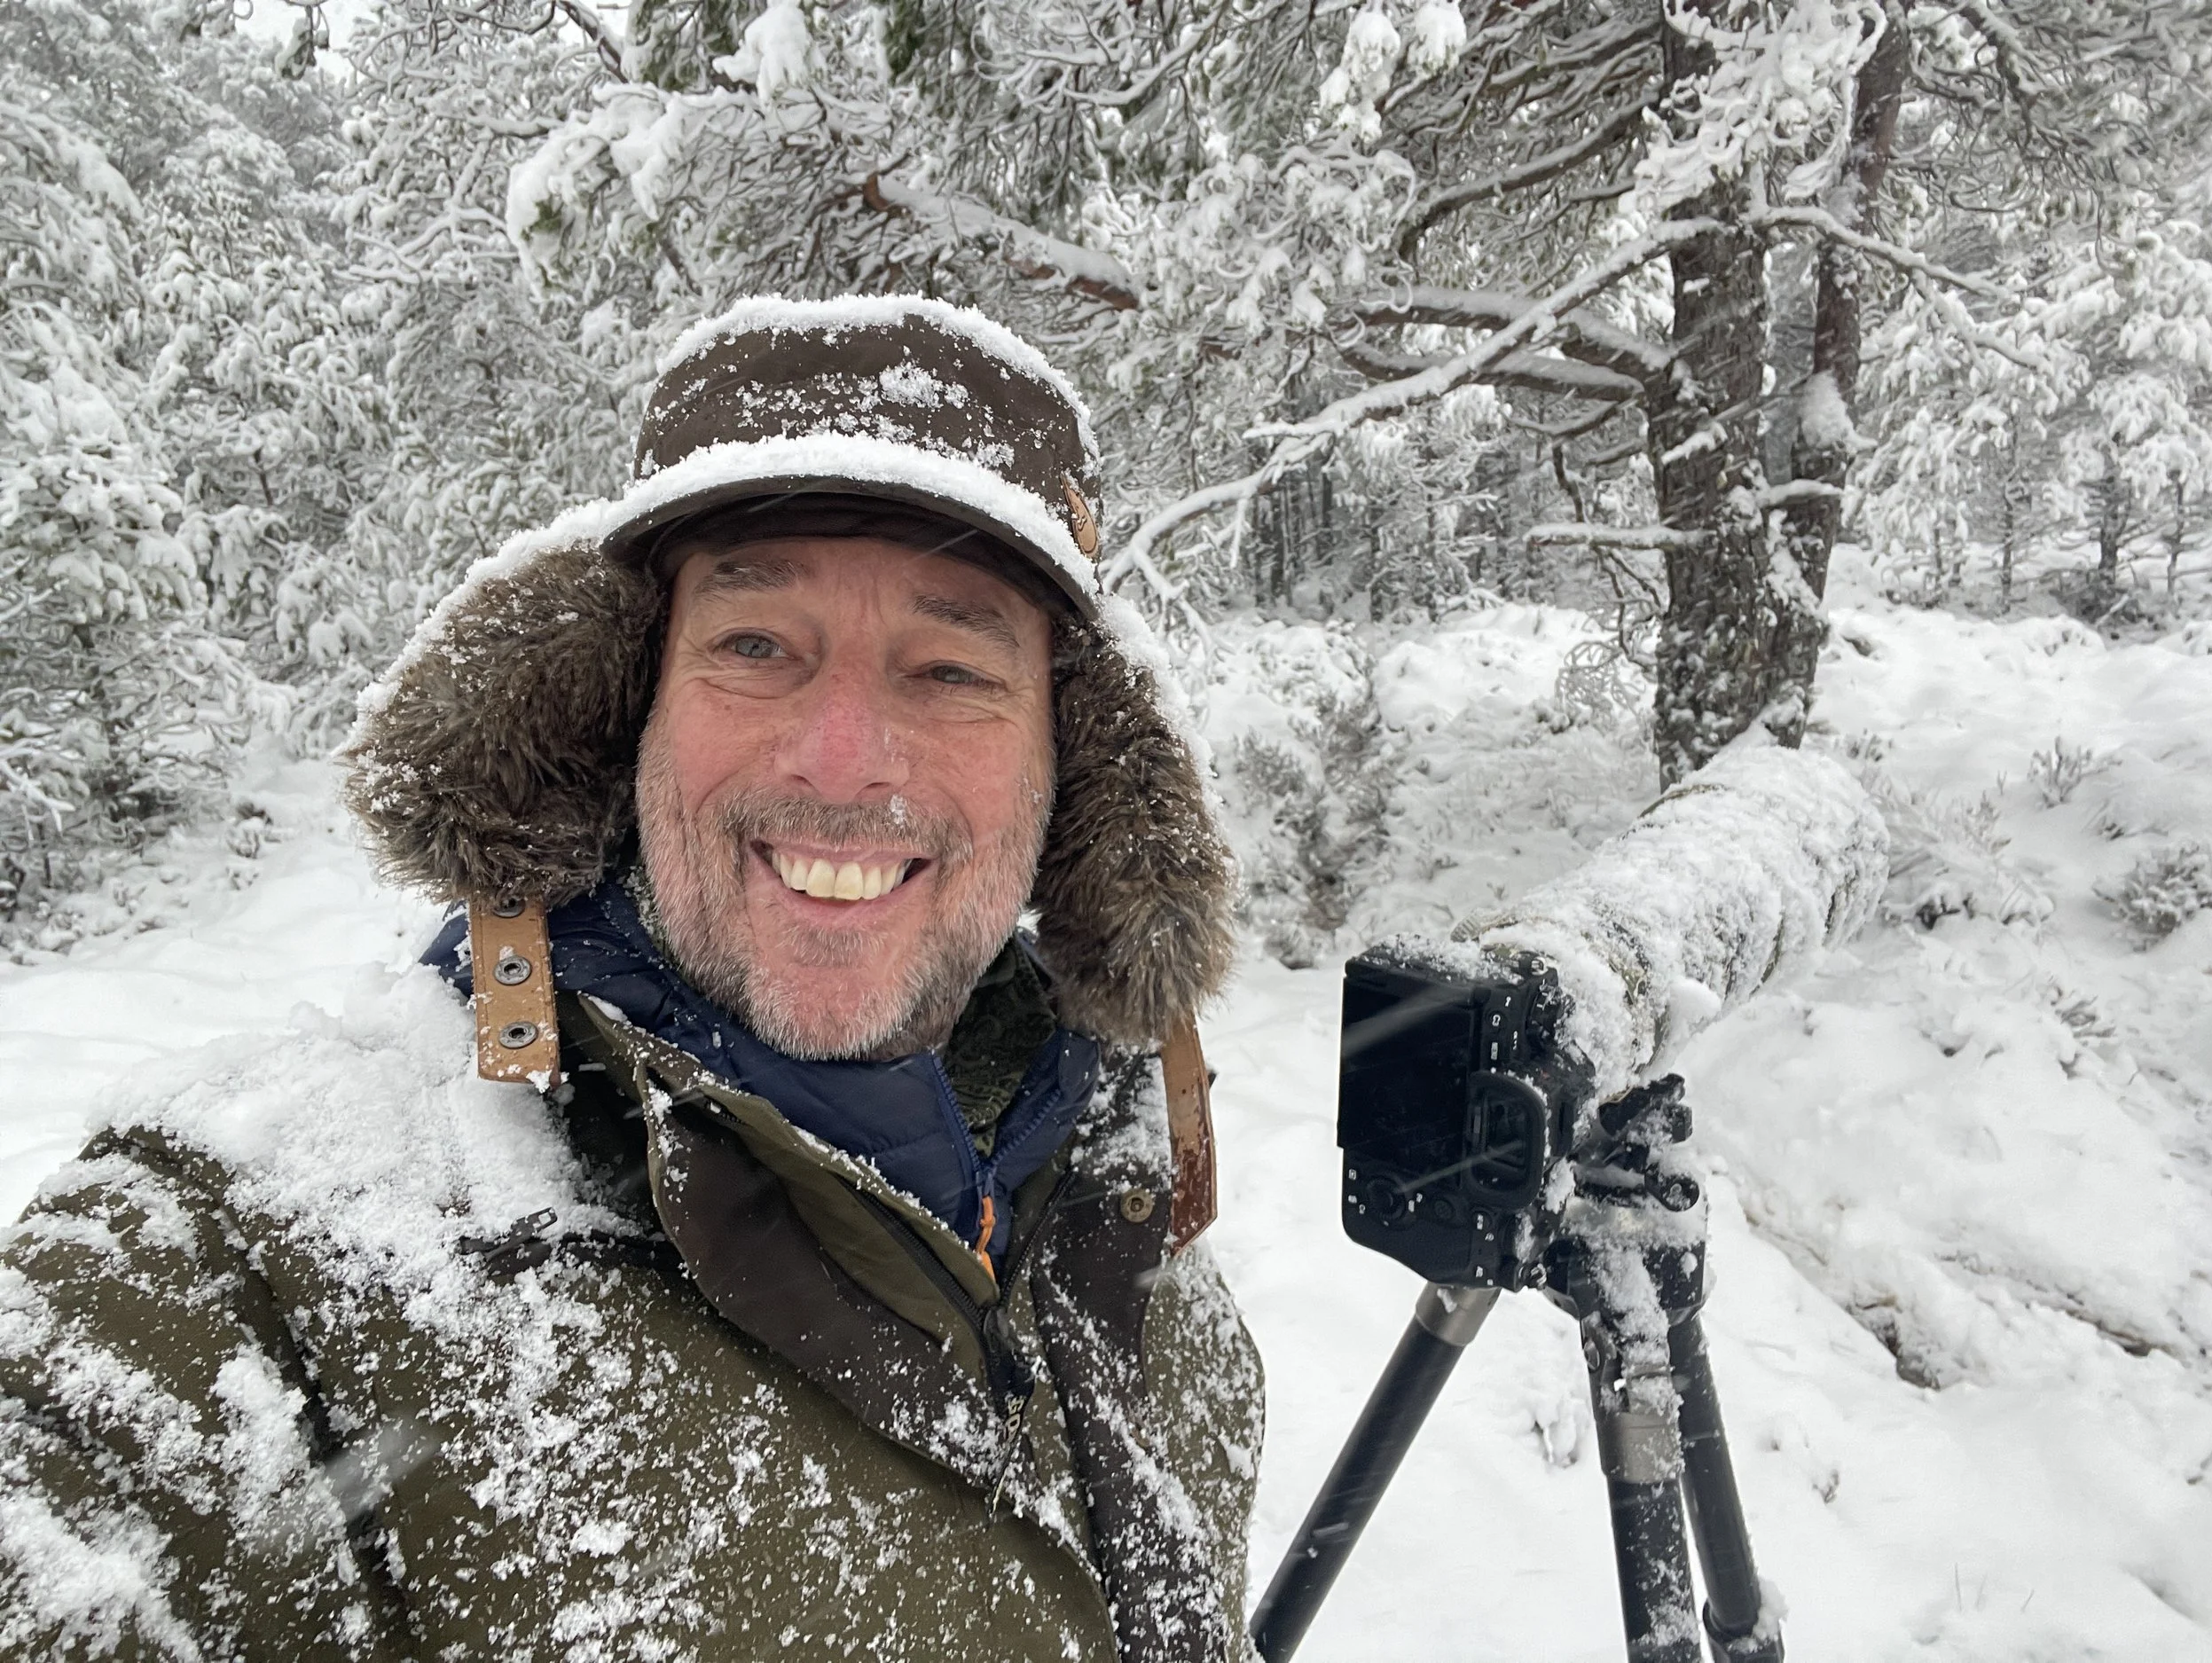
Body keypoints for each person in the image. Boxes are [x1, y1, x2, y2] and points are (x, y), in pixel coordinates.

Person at [0, 297, 1265, 1662]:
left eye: (952, 667)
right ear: (624, 700)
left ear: (1068, 766)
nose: (842, 761)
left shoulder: (1132, 1225)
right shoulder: (268, 1266)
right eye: (756, 645)